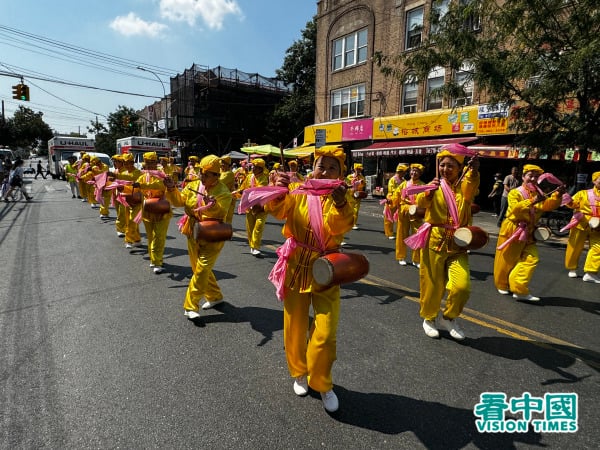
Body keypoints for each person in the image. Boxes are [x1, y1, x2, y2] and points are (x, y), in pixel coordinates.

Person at [264, 145, 354, 413]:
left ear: (341, 173)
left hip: (326, 268)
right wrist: (278, 191)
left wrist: (340, 202)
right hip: (295, 265)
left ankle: (323, 382)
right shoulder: (297, 191)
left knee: (325, 333)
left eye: (332, 167)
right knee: (294, 326)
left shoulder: (342, 197)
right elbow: (277, 211)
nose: (324, 171)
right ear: (312, 167)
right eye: (320, 165)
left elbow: (341, 226)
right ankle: (299, 372)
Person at [413, 146, 480, 340]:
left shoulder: (464, 188)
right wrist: (428, 193)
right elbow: (420, 204)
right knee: (432, 285)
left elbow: (472, 186)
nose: (445, 169)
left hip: (459, 243)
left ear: (460, 168)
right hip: (435, 240)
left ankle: (449, 317)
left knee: (462, 286)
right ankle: (429, 318)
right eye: (442, 165)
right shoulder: (434, 186)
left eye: (451, 166)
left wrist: (474, 171)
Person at [165, 155, 232, 318]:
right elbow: (179, 202)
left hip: (213, 233)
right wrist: (171, 189)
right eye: (201, 172)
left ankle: (191, 305)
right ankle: (215, 297)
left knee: (202, 269)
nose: (202, 176)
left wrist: (212, 204)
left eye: (207, 174)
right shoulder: (193, 185)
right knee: (198, 268)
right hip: (193, 229)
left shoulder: (223, 192)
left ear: (217, 175)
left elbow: (222, 212)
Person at [493, 164, 565, 301]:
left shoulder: (539, 193)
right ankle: (502, 284)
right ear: (523, 177)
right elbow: (515, 209)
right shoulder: (516, 192)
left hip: (530, 231)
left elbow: (547, 205)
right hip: (514, 228)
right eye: (530, 175)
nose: (533, 178)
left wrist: (558, 195)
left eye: (536, 176)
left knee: (531, 259)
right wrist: (532, 201)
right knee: (507, 260)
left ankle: (518, 289)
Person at [134, 152, 172, 274]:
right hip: (148, 209)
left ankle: (157, 262)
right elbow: (135, 187)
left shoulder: (162, 174)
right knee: (150, 235)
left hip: (161, 209)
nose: (149, 165)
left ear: (156, 163)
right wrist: (123, 187)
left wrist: (142, 185)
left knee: (159, 236)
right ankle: (154, 258)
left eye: (152, 162)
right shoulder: (143, 176)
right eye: (147, 162)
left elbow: (159, 185)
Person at [563, 170, 600, 283]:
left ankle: (590, 272)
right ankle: (572, 268)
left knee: (598, 248)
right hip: (581, 222)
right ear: (594, 181)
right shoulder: (583, 193)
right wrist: (568, 200)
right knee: (574, 247)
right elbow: (573, 204)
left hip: (598, 226)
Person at [394, 163, 425, 266]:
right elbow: (396, 196)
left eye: (416, 171)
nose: (414, 173)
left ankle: (416, 259)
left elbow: (425, 200)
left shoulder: (422, 185)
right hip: (404, 212)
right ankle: (401, 256)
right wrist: (390, 200)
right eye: (412, 170)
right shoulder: (404, 184)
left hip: (416, 212)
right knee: (401, 234)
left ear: (420, 173)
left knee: (418, 235)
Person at [238, 158, 269, 256]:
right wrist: (237, 192)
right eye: (253, 166)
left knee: (259, 226)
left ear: (261, 168)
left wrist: (246, 191)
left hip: (261, 206)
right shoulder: (249, 176)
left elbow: (258, 191)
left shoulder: (264, 178)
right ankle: (253, 246)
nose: (253, 168)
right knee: (250, 227)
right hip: (249, 205)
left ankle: (255, 246)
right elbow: (243, 188)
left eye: (255, 167)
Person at [383, 163, 408, 240]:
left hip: (400, 200)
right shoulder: (393, 179)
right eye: (403, 172)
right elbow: (392, 190)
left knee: (398, 217)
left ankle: (398, 231)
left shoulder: (404, 180)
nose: (404, 173)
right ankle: (389, 232)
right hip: (392, 199)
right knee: (389, 217)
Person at [346, 163, 366, 230]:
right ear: (355, 169)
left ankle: (354, 223)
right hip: (350, 195)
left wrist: (362, 183)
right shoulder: (349, 176)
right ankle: (348, 222)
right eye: (358, 169)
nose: (359, 171)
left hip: (358, 195)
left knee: (356, 210)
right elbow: (347, 184)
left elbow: (364, 185)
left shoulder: (362, 177)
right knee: (350, 209)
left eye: (360, 169)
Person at [219, 156, 236, 224]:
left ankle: (226, 233)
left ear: (228, 165)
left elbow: (219, 182)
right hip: (221, 198)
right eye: (221, 163)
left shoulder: (229, 173)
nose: (222, 164)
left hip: (228, 199)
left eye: (224, 163)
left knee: (227, 220)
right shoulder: (221, 171)